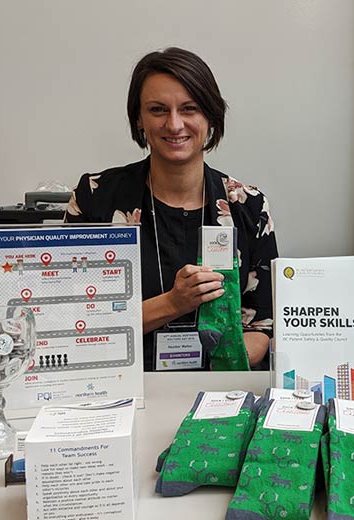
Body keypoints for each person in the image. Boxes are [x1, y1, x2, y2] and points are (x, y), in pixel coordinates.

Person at [65, 47, 277, 370]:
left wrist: (204, 380)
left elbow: (262, 328)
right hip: (122, 390)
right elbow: (70, 323)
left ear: (210, 116)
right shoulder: (95, 199)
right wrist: (173, 303)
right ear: (139, 118)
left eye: (189, 108)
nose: (174, 124)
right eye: (158, 109)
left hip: (218, 398)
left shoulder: (248, 207)